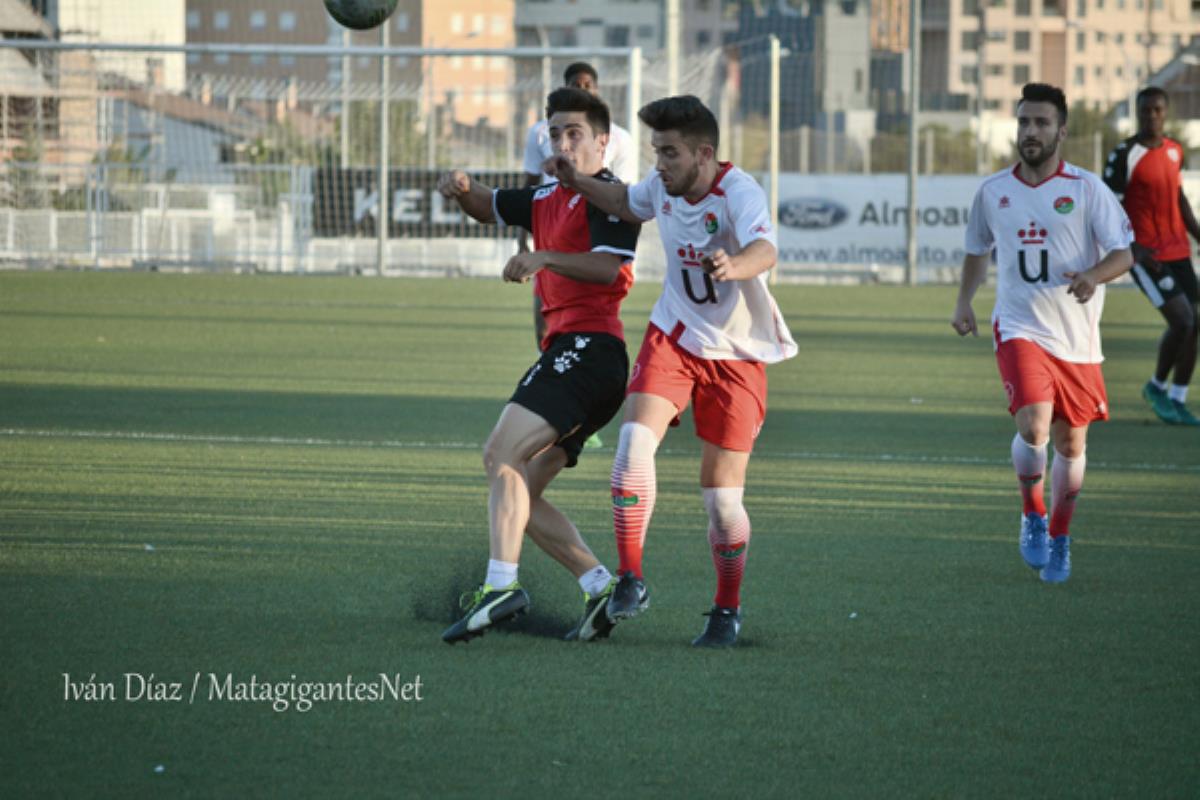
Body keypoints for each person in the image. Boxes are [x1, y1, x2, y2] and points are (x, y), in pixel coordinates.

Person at [545, 95, 797, 647]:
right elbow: (624, 200)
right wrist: (575, 179)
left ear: (704, 154)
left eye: (670, 153)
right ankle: (630, 578)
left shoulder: (739, 192)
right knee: (633, 445)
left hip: (737, 357)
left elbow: (766, 248)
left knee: (722, 504)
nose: (659, 164)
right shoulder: (663, 187)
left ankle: (726, 609)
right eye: (656, 151)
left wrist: (735, 264)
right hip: (674, 337)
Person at [436, 87, 640, 644]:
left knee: (498, 454)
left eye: (575, 133)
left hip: (590, 349)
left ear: (602, 141)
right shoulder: (547, 195)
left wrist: (545, 256)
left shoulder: (612, 196)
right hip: (577, 356)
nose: (563, 143)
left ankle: (501, 587)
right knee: (518, 489)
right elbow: (490, 205)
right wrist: (463, 189)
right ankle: (601, 586)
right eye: (555, 134)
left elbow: (608, 269)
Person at [951, 83, 1134, 584]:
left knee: (1070, 443)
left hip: (1076, 339)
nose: (1030, 131)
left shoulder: (1086, 189)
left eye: (1041, 122)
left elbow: (1124, 253)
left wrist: (1093, 275)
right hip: (1019, 326)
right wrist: (964, 300)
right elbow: (977, 250)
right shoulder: (993, 191)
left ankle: (1059, 534)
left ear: (1062, 131)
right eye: (1024, 122)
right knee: (1034, 425)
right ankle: (1032, 514)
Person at [521, 63, 638, 450]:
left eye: (589, 85)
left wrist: (583, 189)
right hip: (552, 223)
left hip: (596, 229)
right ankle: (558, 384)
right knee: (543, 315)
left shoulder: (619, 138)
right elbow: (529, 182)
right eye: (577, 84)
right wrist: (526, 239)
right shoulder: (541, 132)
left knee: (594, 313)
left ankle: (574, 399)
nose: (563, 143)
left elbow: (621, 194)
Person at [1102, 86, 1200, 426]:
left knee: (1195, 322)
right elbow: (1108, 209)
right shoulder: (1124, 154)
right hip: (1146, 255)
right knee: (1182, 320)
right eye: (1146, 110)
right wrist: (1133, 249)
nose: (1152, 116)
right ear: (1138, 113)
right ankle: (1156, 387)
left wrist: (1197, 234)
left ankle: (1178, 398)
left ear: (1165, 112)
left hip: (1179, 251)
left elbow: (1179, 199)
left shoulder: (1174, 150)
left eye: (1158, 110)